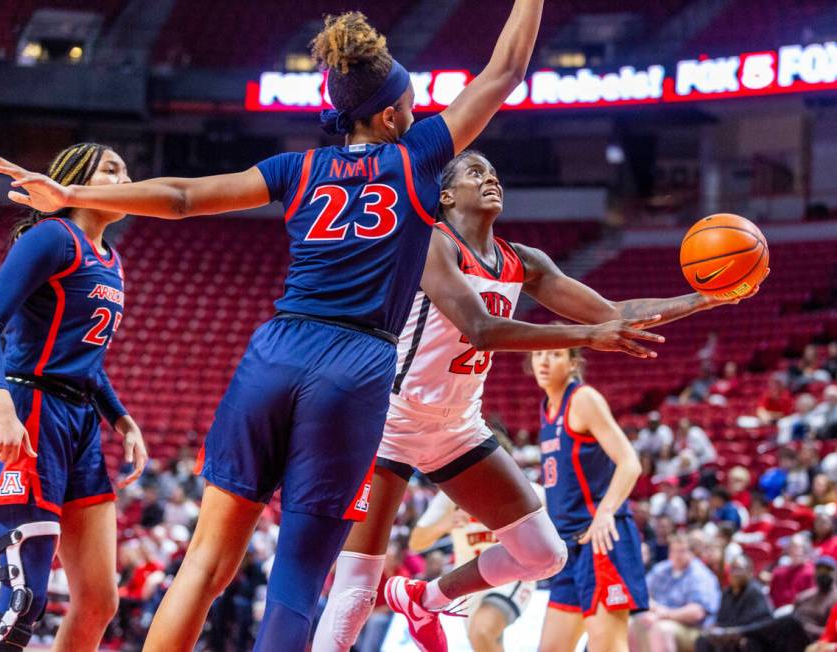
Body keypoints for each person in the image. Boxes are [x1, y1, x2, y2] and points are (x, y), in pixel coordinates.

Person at [0, 6, 577, 650]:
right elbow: (507, 69)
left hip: (274, 353)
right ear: (389, 116)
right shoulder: (418, 157)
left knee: (205, 565)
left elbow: (184, 198)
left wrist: (80, 197)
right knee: (297, 577)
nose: (415, 116)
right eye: (409, 106)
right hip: (354, 364)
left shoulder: (296, 169)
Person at [313, 147, 758, 651]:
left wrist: (705, 298)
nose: (490, 179)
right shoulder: (430, 244)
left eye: (494, 172)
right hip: (389, 422)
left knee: (545, 555)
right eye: (475, 172)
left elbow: (614, 311)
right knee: (354, 589)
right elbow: (481, 330)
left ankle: (427, 598)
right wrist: (586, 337)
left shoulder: (522, 261)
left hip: (456, 428)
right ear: (445, 195)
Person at [0, 143, 147, 652]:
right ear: (75, 181)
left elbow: (85, 360)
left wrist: (121, 419)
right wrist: (1, 406)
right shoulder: (53, 236)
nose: (125, 178)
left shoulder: (113, 258)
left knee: (98, 600)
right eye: (112, 169)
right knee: (24, 599)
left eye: (128, 169)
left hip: (80, 421)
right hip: (30, 411)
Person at [532, 347, 649, 652]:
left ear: (573, 363)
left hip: (601, 539)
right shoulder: (547, 407)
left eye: (555, 354)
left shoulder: (583, 399)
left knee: (606, 646)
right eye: (537, 353)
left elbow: (629, 462)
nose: (543, 361)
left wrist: (605, 512)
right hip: (568, 547)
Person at [406, 436, 545, 652]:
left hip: (513, 577)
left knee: (482, 630)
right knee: (482, 641)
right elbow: (416, 543)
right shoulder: (451, 496)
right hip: (470, 584)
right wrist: (444, 524)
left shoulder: (532, 492)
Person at [630, 533, 721, 652]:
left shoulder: (700, 575)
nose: (677, 555)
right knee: (632, 623)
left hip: (694, 630)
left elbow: (696, 613)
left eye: (682, 551)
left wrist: (664, 614)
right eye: (673, 551)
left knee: (661, 629)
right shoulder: (661, 569)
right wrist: (655, 609)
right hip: (659, 617)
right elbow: (641, 594)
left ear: (692, 553)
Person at [741, 556, 837, 652]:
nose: (822, 574)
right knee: (753, 642)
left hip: (810, 638)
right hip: (791, 632)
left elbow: (829, 632)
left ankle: (743, 631)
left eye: (827, 570)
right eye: (819, 570)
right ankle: (745, 633)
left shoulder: (834, 599)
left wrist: (805, 626)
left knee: (790, 621)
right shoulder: (804, 596)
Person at [694, 555, 772, 652]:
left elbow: (762, 624)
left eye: (739, 569)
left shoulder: (755, 592)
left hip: (750, 635)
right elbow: (722, 620)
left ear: (749, 572)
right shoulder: (726, 593)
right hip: (729, 633)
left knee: (744, 643)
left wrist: (736, 632)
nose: (735, 573)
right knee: (704, 639)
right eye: (733, 569)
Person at [770, 534, 815, 609]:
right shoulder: (778, 572)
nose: (794, 551)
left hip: (799, 613)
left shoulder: (811, 572)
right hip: (777, 612)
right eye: (792, 547)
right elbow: (772, 596)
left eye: (797, 547)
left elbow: (811, 600)